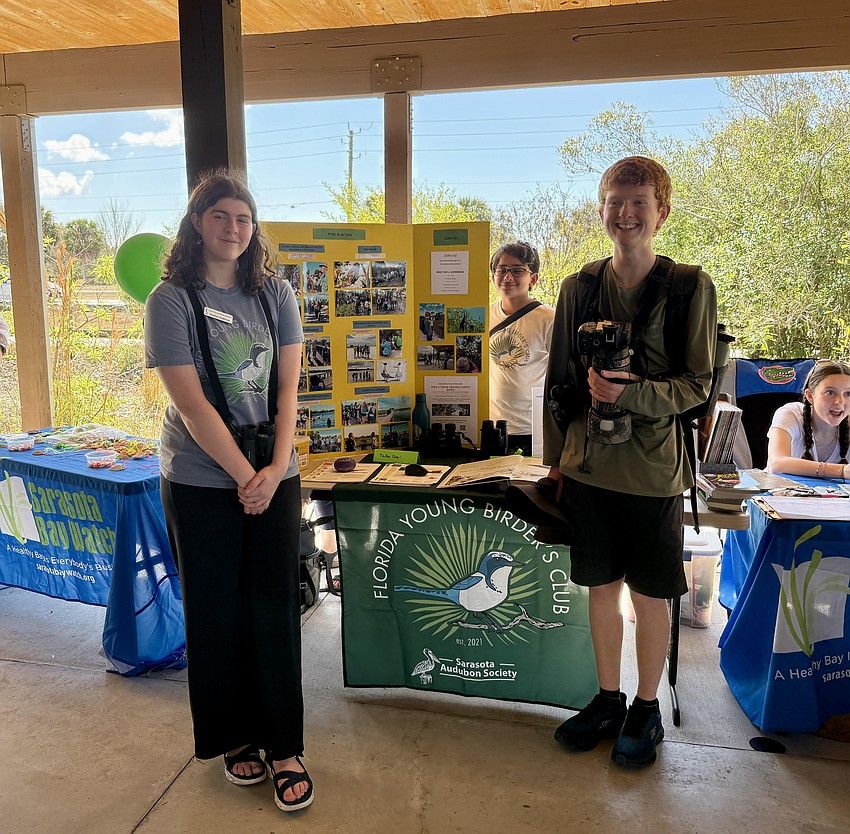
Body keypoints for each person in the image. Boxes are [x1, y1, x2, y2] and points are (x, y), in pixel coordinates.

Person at [144, 169, 314, 812]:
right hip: (199, 477)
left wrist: (273, 471)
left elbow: (290, 390)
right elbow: (191, 406)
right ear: (197, 223)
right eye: (221, 216)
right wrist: (247, 479)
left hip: (274, 472)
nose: (234, 229)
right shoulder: (170, 300)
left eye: (244, 218)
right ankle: (235, 736)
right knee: (216, 610)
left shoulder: (275, 295)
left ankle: (285, 745)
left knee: (274, 607)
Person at [543, 157, 717, 768]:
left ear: (661, 211)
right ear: (601, 210)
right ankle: (608, 698)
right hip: (587, 467)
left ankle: (646, 707)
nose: (626, 212)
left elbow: (699, 383)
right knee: (599, 588)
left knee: (649, 595)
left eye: (639, 201)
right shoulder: (578, 288)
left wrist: (631, 394)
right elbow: (559, 379)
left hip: (652, 475)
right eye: (615, 200)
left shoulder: (690, 287)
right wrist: (555, 459)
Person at [489, 241, 555, 454]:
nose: (508, 277)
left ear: (532, 278)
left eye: (517, 271)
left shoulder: (549, 319)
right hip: (490, 428)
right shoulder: (482, 316)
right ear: (493, 276)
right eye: (502, 270)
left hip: (532, 430)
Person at [766, 360, 850, 479]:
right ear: (810, 396)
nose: (840, 401)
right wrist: (841, 471)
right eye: (830, 392)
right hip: (776, 494)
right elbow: (777, 463)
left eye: (848, 394)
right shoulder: (790, 414)